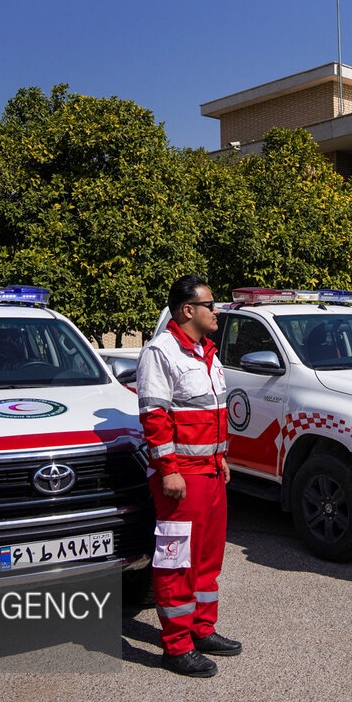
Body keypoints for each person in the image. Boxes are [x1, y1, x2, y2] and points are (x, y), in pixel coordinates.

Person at [137, 274, 238, 674]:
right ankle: (176, 644)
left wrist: (223, 457)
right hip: (182, 477)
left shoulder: (207, 352)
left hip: (211, 472)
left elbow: (214, 416)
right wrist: (168, 469)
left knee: (208, 557)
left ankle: (202, 628)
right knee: (177, 559)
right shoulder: (160, 352)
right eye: (210, 305)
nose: (217, 311)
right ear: (187, 310)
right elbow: (154, 416)